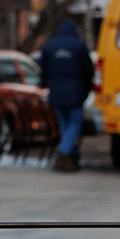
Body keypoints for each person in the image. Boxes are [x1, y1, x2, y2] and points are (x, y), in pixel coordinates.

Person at [36, 17, 93, 172]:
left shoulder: (49, 46)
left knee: (65, 125)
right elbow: (88, 70)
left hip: (56, 92)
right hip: (75, 92)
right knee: (75, 124)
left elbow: (42, 71)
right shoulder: (79, 46)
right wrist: (86, 89)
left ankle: (72, 157)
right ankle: (64, 153)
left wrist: (46, 85)